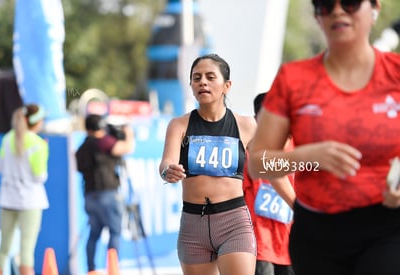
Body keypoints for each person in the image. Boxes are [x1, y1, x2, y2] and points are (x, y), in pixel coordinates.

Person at [248, 1, 400, 274]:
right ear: (318, 15)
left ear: (374, 9)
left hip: (387, 228)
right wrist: (307, 157)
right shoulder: (293, 79)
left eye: (351, 3)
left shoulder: (396, 73)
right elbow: (258, 163)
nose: (338, 11)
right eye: (326, 5)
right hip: (317, 234)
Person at [159, 53, 257, 275]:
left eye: (210, 77)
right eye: (196, 78)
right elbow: (166, 163)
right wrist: (168, 172)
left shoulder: (246, 125)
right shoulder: (179, 125)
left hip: (234, 223)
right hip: (193, 226)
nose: (202, 82)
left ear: (226, 85)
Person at [243, 93, 295, 275]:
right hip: (260, 241)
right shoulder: (249, 153)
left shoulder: (302, 149)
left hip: (292, 240)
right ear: (256, 119)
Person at [75, 114, 135, 272]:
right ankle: (112, 268)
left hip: (89, 196)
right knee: (115, 232)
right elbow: (127, 147)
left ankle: (91, 269)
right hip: (107, 194)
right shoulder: (103, 142)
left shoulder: (82, 147)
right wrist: (128, 132)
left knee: (94, 234)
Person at [0, 104, 49, 275]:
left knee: (3, 248)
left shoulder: (7, 139)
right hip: (30, 201)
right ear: (37, 122)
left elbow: (1, 168)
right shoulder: (38, 143)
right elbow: (39, 176)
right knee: (26, 249)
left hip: (8, 199)